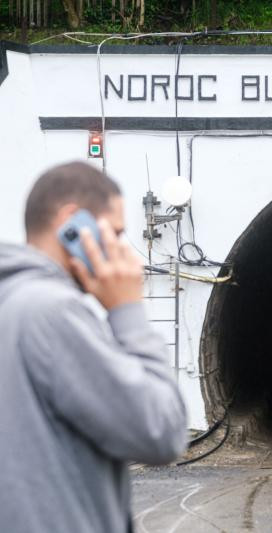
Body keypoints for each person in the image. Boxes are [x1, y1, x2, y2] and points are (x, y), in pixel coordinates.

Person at [0, 162, 187, 532]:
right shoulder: (52, 312)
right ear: (72, 224)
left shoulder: (12, 300)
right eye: (115, 233)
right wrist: (128, 310)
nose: (121, 249)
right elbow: (161, 430)